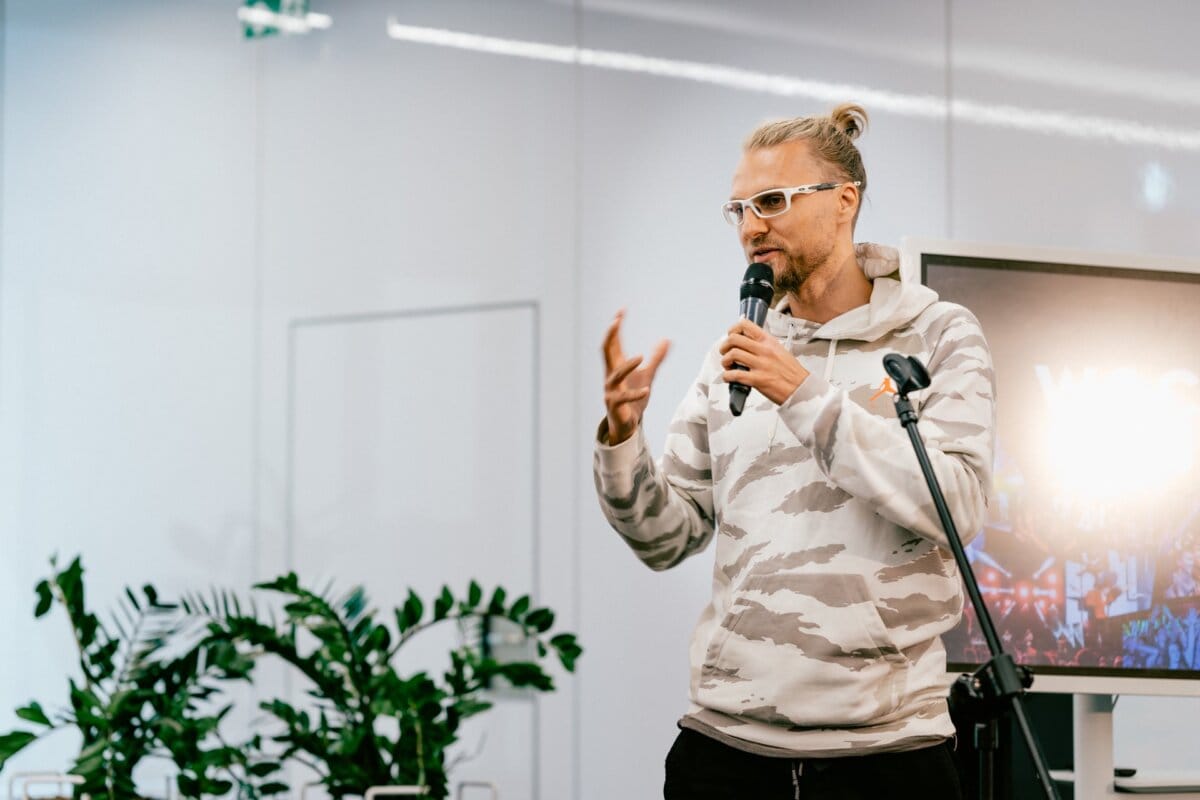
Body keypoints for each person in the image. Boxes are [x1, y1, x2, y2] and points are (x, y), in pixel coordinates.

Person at [593, 103, 996, 799]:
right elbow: (667, 537)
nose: (752, 226)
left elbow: (957, 504)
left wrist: (805, 395)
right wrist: (622, 438)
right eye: (739, 209)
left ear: (845, 202)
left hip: (889, 754)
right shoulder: (736, 358)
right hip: (726, 749)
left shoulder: (936, 334)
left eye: (773, 201)